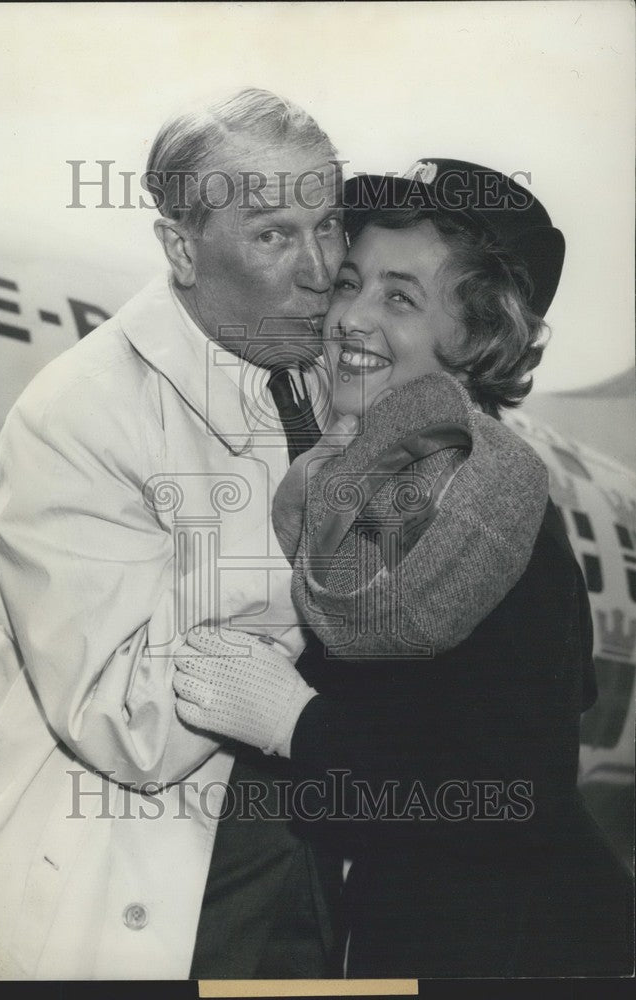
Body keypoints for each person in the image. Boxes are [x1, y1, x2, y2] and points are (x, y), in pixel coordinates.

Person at [173, 160, 635, 977]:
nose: (348, 317)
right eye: (349, 282)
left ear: (478, 337)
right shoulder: (360, 486)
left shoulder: (495, 517)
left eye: (399, 297)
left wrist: (297, 726)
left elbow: (510, 800)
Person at [0, 88, 348, 980]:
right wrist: (324, 542)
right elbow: (129, 723)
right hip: (130, 911)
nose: (320, 270)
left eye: (329, 227)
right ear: (180, 248)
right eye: (275, 235)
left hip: (303, 904)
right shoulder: (83, 410)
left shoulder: (316, 379)